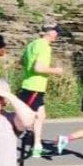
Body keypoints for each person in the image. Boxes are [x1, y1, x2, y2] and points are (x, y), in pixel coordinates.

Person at [19, 24, 64, 158]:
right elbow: (38, 68)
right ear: (50, 32)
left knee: (41, 116)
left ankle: (37, 147)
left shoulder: (32, 44)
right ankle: (1, 140)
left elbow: (22, 61)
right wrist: (56, 70)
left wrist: (28, 70)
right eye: (56, 32)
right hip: (34, 86)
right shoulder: (45, 46)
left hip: (31, 85)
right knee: (24, 119)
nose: (57, 36)